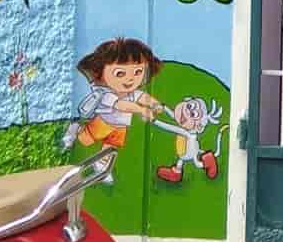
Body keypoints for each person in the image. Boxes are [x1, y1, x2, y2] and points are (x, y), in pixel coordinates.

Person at [64, 36, 219, 184]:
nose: (130, 79)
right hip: (102, 123)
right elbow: (121, 105)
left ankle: (102, 167)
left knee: (111, 146)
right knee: (85, 139)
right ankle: (75, 129)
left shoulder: (131, 92)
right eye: (120, 73)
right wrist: (140, 110)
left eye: (138, 72)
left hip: (120, 127)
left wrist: (155, 104)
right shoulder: (106, 94)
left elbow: (142, 97)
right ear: (102, 72)